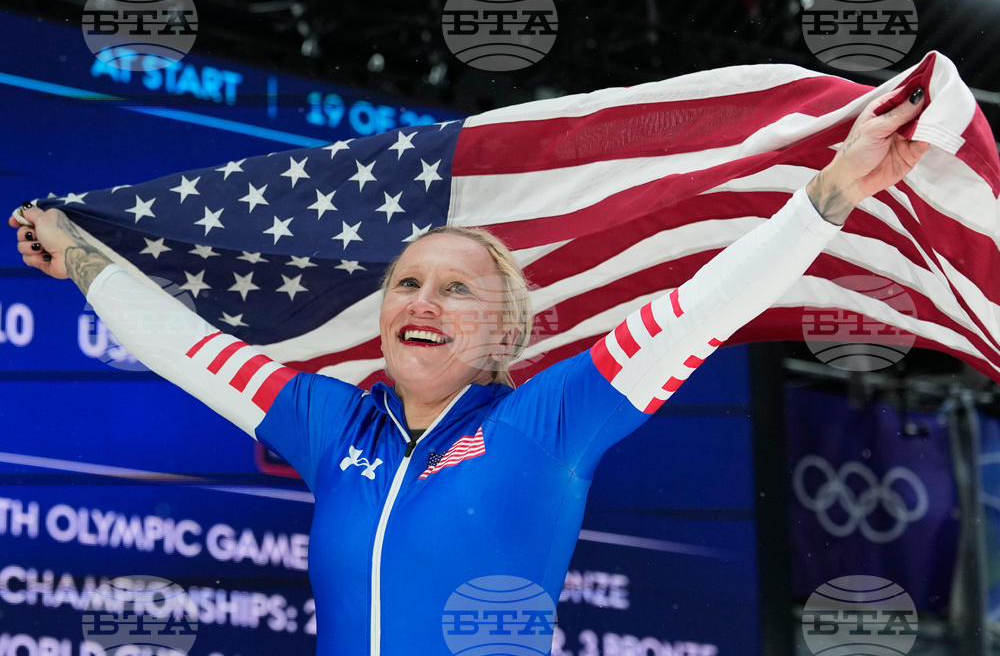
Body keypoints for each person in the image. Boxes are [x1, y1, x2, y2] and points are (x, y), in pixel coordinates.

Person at [9, 87, 929, 654]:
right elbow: (184, 348)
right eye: (407, 283)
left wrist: (832, 192)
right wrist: (79, 254)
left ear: (506, 333)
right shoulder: (333, 427)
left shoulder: (546, 422)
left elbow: (701, 309)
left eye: (457, 289)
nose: (422, 300)